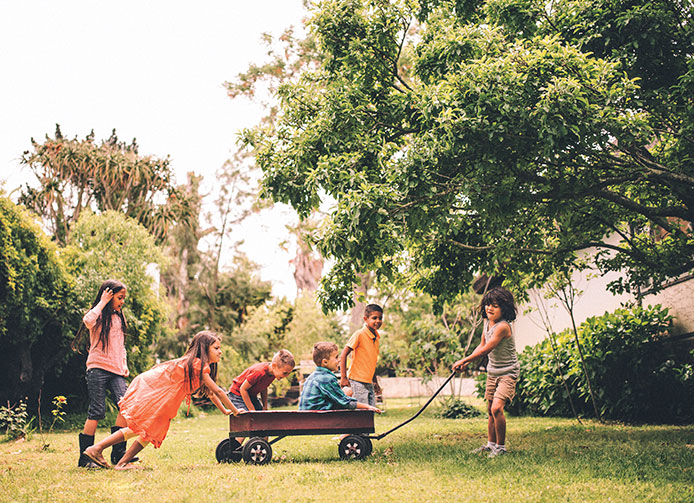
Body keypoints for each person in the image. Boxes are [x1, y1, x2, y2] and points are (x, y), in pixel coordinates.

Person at [83, 331, 240, 470]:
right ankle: (96, 448)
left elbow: (212, 394)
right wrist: (235, 410)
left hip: (163, 396)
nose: (220, 352)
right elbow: (218, 391)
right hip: (156, 392)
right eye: (216, 348)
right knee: (139, 428)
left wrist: (225, 411)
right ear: (205, 349)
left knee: (149, 432)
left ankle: (122, 463)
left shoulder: (199, 365)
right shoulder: (198, 364)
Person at [71, 280, 133, 468]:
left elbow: (121, 346)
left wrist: (124, 364)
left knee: (126, 407)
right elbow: (87, 320)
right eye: (119, 298)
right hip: (97, 368)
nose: (122, 302)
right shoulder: (98, 316)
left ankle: (118, 454)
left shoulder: (118, 317)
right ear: (108, 295)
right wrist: (103, 302)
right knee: (97, 411)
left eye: (124, 298)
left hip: (117, 371)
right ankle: (86, 458)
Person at [452, 287, 519, 458]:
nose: (490, 308)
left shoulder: (503, 327)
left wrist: (464, 360)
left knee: (497, 408)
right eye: (488, 304)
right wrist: (466, 362)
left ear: (504, 308)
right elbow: (481, 345)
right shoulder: (486, 322)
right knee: (490, 409)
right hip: (492, 372)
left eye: (495, 306)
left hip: (507, 373)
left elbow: (485, 351)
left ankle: (501, 448)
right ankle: (491, 445)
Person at [300, 342, 381, 413]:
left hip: (308, 419)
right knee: (348, 393)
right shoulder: (327, 378)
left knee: (347, 392)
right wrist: (368, 407)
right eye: (336, 357)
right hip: (319, 421)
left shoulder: (313, 376)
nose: (339, 360)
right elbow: (345, 403)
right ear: (325, 362)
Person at [339, 304, 383, 407]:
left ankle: (369, 424)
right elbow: (344, 354)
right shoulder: (359, 334)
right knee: (362, 410)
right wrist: (343, 377)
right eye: (374, 318)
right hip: (357, 380)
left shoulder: (376, 338)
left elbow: (371, 362)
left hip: (368, 382)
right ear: (365, 319)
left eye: (380, 318)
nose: (378, 321)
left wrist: (375, 381)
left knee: (371, 409)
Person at [227, 349, 295, 412]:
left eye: (289, 373)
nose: (286, 376)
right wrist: (251, 410)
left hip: (251, 395)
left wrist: (264, 406)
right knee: (247, 416)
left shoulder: (273, 373)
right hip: (237, 394)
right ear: (274, 366)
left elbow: (263, 388)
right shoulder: (259, 372)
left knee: (261, 416)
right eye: (285, 373)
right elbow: (243, 389)